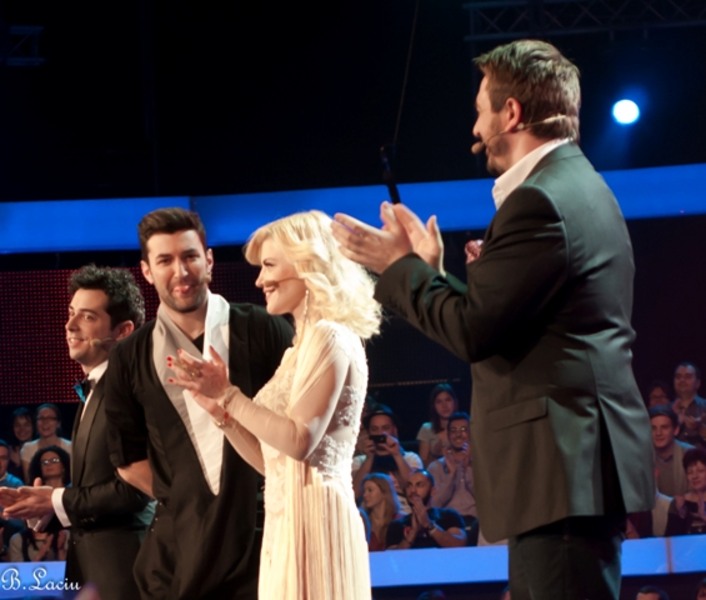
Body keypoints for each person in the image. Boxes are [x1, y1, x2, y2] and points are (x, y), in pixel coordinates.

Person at [332, 38, 654, 599]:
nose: (475, 129)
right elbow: (499, 322)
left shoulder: (539, 201)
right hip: (568, 473)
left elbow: (472, 330)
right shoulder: (575, 186)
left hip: (560, 471)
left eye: (481, 111)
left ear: (511, 113)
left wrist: (401, 267)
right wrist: (432, 273)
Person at [168, 210, 381, 599]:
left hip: (316, 521)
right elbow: (274, 463)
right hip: (285, 523)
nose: (259, 280)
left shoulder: (330, 337)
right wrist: (223, 415)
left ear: (306, 264)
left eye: (269, 265)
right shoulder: (297, 349)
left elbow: (300, 441)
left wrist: (229, 394)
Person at [103, 207, 294, 600]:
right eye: (165, 260)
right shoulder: (128, 356)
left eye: (190, 256)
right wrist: (188, 499)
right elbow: (127, 459)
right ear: (146, 271)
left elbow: (300, 428)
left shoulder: (264, 328)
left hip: (265, 541)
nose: (181, 271)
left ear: (208, 260)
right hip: (177, 556)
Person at [0, 265, 153, 600]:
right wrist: (46, 509)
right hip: (91, 570)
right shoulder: (96, 388)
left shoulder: (130, 391)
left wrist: (56, 498)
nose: (69, 325)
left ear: (123, 331)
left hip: (123, 572)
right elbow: (96, 490)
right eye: (71, 313)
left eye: (87, 316)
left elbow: (137, 491)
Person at [352, 404, 423, 514]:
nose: (380, 433)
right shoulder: (359, 461)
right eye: (374, 429)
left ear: (394, 430)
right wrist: (369, 458)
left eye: (385, 428)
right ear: (369, 433)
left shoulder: (410, 458)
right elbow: (355, 494)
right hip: (369, 517)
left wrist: (397, 455)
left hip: (403, 515)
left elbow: (414, 491)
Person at [428, 411, 478, 543]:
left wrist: (469, 468)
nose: (458, 434)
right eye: (453, 430)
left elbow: (486, 500)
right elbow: (435, 504)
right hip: (448, 524)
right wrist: (452, 475)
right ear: (448, 435)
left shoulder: (481, 465)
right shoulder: (436, 467)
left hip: (476, 523)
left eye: (463, 430)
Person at [386, 469, 466, 549]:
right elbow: (392, 555)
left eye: (419, 485)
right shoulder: (397, 525)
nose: (413, 490)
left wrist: (429, 525)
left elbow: (459, 544)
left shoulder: (448, 516)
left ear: (433, 491)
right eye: (409, 485)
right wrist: (412, 533)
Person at [20, 403, 72, 483]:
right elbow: (29, 480)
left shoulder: (70, 446)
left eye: (50, 418)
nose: (45, 422)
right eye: (41, 418)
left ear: (58, 423)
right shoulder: (28, 448)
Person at [650, 405, 694, 496]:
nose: (658, 433)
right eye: (653, 428)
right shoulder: (642, 457)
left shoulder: (691, 454)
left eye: (664, 427)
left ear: (676, 430)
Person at [665, 447, 706, 536]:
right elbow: (670, 537)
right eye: (690, 472)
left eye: (700, 471)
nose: (694, 476)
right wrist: (681, 514)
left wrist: (704, 517)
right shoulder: (679, 502)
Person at [417, 383, 460, 465]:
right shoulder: (427, 429)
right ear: (434, 406)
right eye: (439, 402)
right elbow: (423, 465)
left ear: (455, 402)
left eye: (448, 400)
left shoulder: (465, 426)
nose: (444, 405)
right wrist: (436, 453)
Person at [360, 472, 404, 551]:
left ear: (384, 492)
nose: (365, 495)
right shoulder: (362, 522)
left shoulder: (400, 520)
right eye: (364, 491)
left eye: (370, 490)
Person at [672, 362, 706, 448]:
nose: (682, 380)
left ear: (698, 383)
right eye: (678, 377)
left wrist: (699, 428)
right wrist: (677, 423)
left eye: (687, 377)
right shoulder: (667, 409)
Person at [6, 407, 34, 480]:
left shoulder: (40, 448)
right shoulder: (6, 451)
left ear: (34, 427)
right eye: (17, 425)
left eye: (26, 425)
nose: (22, 429)